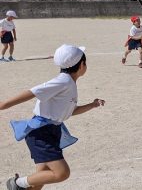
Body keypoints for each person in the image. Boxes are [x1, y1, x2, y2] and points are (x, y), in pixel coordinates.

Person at [1, 44, 105, 190]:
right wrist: (4, 104)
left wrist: (92, 105)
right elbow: (32, 92)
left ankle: (22, 185)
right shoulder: (64, 81)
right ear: (82, 65)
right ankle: (17, 183)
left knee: (41, 178)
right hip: (41, 132)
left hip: (50, 131)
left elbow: (69, 112)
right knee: (62, 173)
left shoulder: (69, 83)